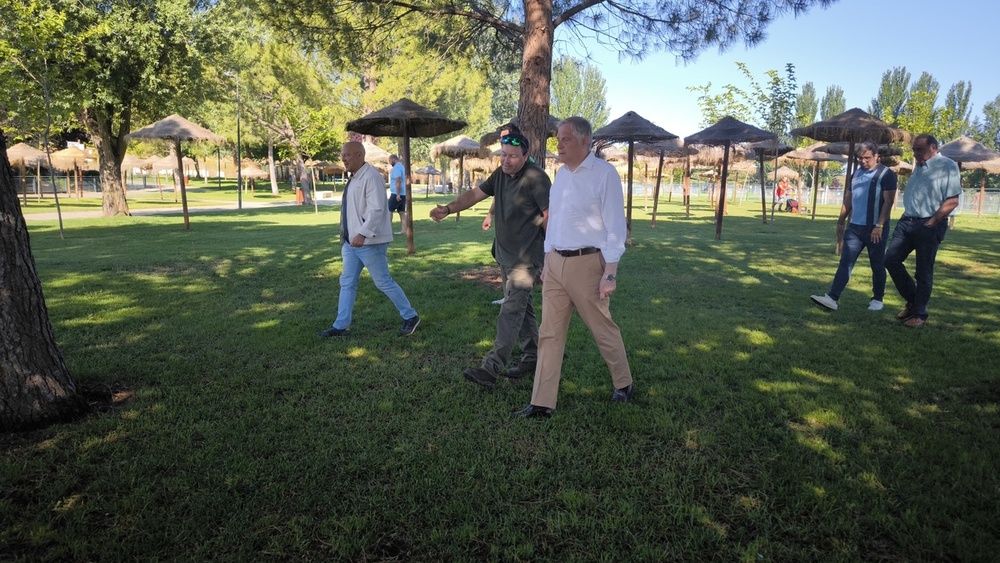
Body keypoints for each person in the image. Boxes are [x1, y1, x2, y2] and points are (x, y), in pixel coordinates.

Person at [511, 116, 633, 418]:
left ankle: (623, 382)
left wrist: (610, 272)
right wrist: (547, 256)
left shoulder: (605, 174)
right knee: (549, 333)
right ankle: (541, 402)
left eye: (565, 139)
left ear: (584, 141)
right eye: (558, 139)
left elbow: (616, 227)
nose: (558, 144)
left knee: (602, 327)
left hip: (589, 264)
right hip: (555, 264)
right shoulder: (561, 175)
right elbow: (556, 219)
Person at [430, 132, 550, 387]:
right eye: (503, 155)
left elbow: (550, 216)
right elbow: (475, 195)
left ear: (526, 156)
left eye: (513, 157)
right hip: (505, 254)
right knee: (522, 308)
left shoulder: (536, 178)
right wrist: (448, 209)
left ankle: (491, 368)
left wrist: (549, 257)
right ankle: (532, 357)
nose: (506, 161)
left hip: (526, 258)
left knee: (510, 310)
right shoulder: (500, 174)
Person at [318, 141, 420, 337]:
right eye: (342, 155)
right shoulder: (356, 177)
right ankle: (340, 325)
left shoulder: (371, 176)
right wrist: (349, 236)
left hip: (369, 242)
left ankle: (411, 316)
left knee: (383, 281)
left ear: (359, 155)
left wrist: (363, 233)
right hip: (351, 242)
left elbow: (376, 209)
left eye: (347, 155)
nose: (343, 158)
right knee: (347, 282)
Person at [811, 141, 898, 312]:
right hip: (855, 228)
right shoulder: (856, 174)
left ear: (876, 156)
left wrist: (879, 225)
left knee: (877, 265)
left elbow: (888, 202)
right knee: (845, 262)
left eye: (867, 158)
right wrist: (841, 220)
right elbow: (849, 199)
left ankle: (877, 299)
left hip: (875, 228)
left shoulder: (886, 175)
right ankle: (832, 298)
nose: (863, 161)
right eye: (860, 158)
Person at [885, 134, 961, 328]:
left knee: (923, 271)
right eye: (914, 150)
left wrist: (933, 221)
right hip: (907, 221)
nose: (915, 153)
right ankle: (913, 302)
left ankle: (920, 314)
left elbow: (952, 200)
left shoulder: (947, 166)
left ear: (933, 147)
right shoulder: (918, 167)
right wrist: (905, 215)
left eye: (919, 149)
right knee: (890, 259)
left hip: (929, 224)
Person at [388, 154, 407, 235]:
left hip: (396, 193)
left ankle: (387, 231)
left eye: (389, 161)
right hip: (403, 193)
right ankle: (404, 230)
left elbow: (398, 180)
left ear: (393, 159)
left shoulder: (396, 168)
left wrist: (398, 194)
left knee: (388, 211)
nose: (389, 163)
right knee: (402, 212)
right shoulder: (401, 166)